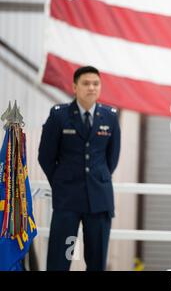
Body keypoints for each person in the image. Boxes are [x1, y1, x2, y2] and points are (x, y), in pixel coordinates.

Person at [38, 66, 121, 271]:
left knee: (96, 260)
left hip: (99, 201)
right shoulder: (59, 115)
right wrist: (61, 181)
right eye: (86, 83)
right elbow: (46, 156)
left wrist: (97, 179)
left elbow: (112, 158)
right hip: (68, 201)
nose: (91, 88)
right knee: (60, 258)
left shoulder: (110, 117)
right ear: (75, 87)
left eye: (96, 83)